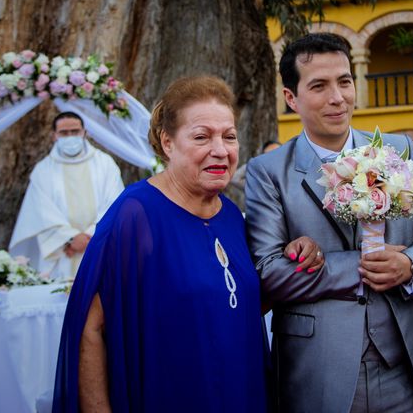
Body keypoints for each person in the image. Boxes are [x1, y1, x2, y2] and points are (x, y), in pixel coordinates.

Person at [245, 32, 413, 413]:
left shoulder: (400, 150)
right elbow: (269, 271)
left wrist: (407, 264)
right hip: (319, 367)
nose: (337, 97)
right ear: (292, 98)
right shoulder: (269, 172)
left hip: (402, 361)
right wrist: (362, 265)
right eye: (319, 86)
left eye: (344, 81)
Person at [52, 76, 267, 412]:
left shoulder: (233, 218)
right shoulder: (136, 214)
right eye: (201, 137)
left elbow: (234, 305)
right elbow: (90, 328)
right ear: (168, 143)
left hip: (241, 392)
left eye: (229, 136)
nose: (220, 150)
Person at [9, 111, 124, 280]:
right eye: (64, 133)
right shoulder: (43, 170)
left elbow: (115, 203)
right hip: (62, 251)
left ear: (84, 132)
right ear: (54, 136)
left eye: (75, 131)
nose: (70, 136)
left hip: (100, 246)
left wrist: (90, 237)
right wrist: (71, 238)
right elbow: (41, 212)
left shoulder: (105, 164)